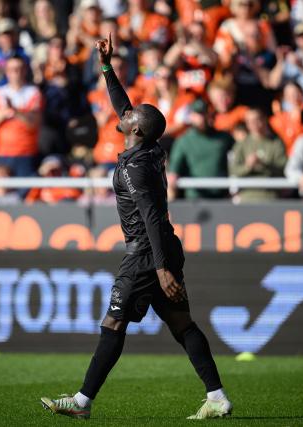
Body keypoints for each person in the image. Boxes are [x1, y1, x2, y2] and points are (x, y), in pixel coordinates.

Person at [41, 33, 231, 420]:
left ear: (136, 131)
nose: (123, 114)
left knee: (114, 321)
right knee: (182, 324)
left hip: (146, 255)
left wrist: (161, 269)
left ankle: (82, 402)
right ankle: (217, 396)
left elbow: (152, 218)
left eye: (129, 117)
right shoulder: (147, 148)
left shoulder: (135, 168)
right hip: (160, 250)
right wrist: (107, 67)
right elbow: (124, 105)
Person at [167, 99, 234, 200]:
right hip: (195, 198)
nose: (202, 118)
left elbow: (237, 161)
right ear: (191, 116)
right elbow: (174, 171)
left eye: (205, 113)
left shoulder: (225, 138)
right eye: (198, 114)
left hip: (222, 197)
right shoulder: (184, 140)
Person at [0, 55, 42, 177]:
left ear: (25, 70)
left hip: (26, 152)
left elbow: (34, 122)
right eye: (12, 69)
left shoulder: (33, 92)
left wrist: (13, 111)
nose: (16, 73)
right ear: (6, 72)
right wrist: (8, 112)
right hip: (4, 152)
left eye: (19, 68)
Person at [229, 108, 287, 202]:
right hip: (247, 196)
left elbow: (283, 168)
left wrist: (263, 164)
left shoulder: (276, 143)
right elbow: (233, 171)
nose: (254, 124)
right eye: (250, 121)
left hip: (270, 195)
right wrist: (247, 166)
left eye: (257, 120)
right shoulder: (242, 144)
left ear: (264, 119)